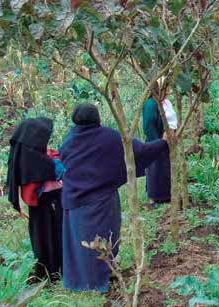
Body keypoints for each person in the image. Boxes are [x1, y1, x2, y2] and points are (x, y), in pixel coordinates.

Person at [60, 103, 170, 292]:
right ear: (97, 119)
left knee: (80, 244)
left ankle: (80, 282)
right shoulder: (107, 136)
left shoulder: (70, 138)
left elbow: (64, 159)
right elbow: (138, 151)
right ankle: (99, 280)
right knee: (102, 238)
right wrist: (163, 143)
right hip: (100, 200)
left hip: (73, 200)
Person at [6, 117, 64, 282]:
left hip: (36, 206)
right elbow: (57, 172)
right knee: (54, 236)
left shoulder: (21, 154)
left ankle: (46, 270)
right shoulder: (40, 160)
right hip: (49, 203)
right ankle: (55, 271)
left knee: (41, 238)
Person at [142, 78, 178, 206]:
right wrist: (158, 142)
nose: (166, 91)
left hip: (167, 141)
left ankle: (167, 195)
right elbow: (148, 125)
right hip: (156, 141)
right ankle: (155, 197)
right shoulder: (150, 104)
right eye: (164, 88)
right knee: (155, 169)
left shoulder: (165, 102)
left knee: (165, 168)